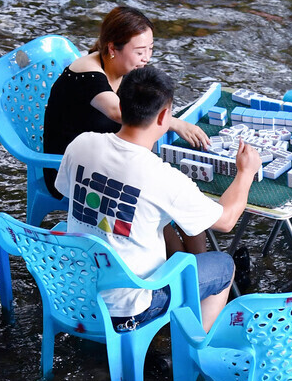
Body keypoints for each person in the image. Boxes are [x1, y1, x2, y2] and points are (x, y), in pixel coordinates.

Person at [54, 65, 261, 332]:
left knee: (160, 221)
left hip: (73, 293)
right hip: (127, 309)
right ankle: (192, 349)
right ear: (164, 116)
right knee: (223, 265)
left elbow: (68, 193)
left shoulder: (81, 144)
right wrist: (245, 172)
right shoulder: (162, 177)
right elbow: (227, 220)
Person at [43, 5, 209, 254]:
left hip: (109, 157)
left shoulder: (125, 70)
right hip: (74, 166)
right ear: (112, 48)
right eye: (140, 51)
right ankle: (190, 271)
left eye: (150, 49)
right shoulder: (87, 73)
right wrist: (172, 121)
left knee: (168, 205)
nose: (147, 58)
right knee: (158, 207)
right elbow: (120, 111)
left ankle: (190, 266)